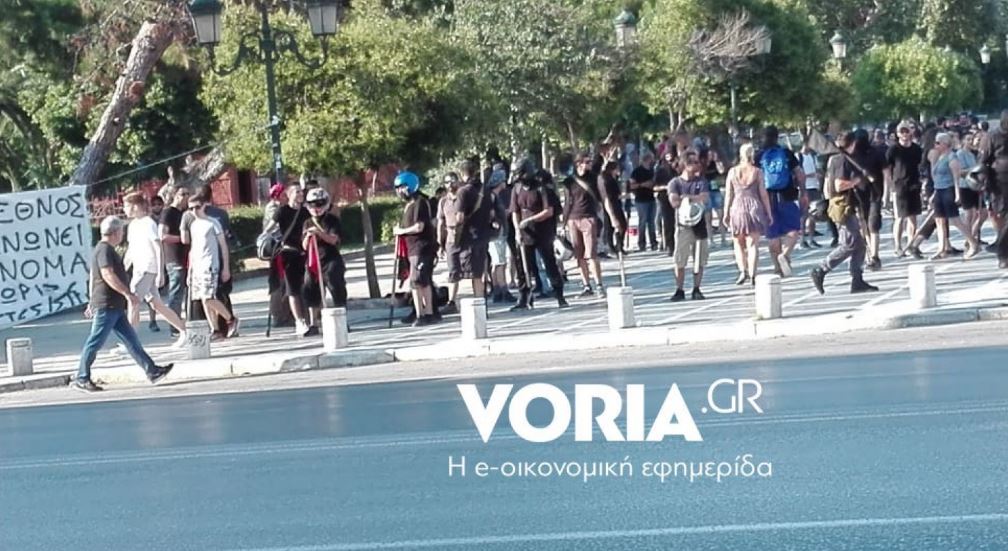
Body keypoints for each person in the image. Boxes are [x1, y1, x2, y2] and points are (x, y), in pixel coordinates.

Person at [72, 216, 174, 393]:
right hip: (107, 305)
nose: (122, 235)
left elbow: (94, 277)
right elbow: (107, 274)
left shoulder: (104, 249)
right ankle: (82, 377)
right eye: (121, 231)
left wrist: (92, 300)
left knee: (131, 340)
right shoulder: (104, 250)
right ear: (116, 232)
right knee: (95, 341)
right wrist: (127, 293)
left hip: (115, 306)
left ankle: (152, 371)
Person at [809, 132, 879, 295]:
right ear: (852, 144)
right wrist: (858, 180)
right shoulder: (841, 160)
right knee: (849, 243)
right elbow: (839, 185)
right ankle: (821, 269)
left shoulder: (840, 159)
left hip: (847, 204)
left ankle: (857, 279)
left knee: (860, 244)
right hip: (842, 205)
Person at [121, 192, 186, 345]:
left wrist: (160, 272)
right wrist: (123, 267)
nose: (124, 209)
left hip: (147, 268)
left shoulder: (148, 223)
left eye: (126, 206)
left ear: (135, 206)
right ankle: (184, 330)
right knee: (157, 305)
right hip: (139, 268)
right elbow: (131, 250)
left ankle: (130, 341)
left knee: (133, 301)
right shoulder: (133, 225)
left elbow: (158, 247)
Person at [182, 191, 240, 339]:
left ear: (204, 206)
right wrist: (190, 270)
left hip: (210, 264)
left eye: (197, 207)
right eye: (191, 208)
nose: (194, 211)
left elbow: (223, 245)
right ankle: (215, 329)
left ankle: (230, 319)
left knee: (208, 297)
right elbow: (193, 249)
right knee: (202, 299)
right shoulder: (193, 225)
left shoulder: (212, 223)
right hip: (197, 266)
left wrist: (225, 268)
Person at [510, 166, 569, 310]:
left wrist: (530, 220)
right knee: (523, 266)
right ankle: (524, 296)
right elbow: (515, 211)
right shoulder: (517, 189)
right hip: (525, 233)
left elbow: (549, 211)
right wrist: (517, 230)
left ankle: (559, 294)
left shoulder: (542, 189)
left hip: (543, 232)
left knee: (550, 263)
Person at [756, 126, 804, 277]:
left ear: (763, 137)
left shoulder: (758, 156)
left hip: (767, 198)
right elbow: (800, 174)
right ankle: (785, 254)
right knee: (794, 229)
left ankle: (777, 268)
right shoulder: (786, 153)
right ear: (777, 137)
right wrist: (803, 192)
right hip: (787, 195)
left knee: (773, 235)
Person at [393, 171, 439, 327]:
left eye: (402, 187)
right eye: (397, 188)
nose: (399, 191)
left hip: (421, 247)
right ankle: (423, 312)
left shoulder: (420, 203)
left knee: (418, 281)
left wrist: (401, 231)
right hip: (412, 249)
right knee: (419, 282)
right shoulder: (409, 205)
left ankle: (425, 314)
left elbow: (419, 226)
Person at [724, 143, 773, 286]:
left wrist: (726, 213)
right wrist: (769, 212)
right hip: (754, 207)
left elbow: (729, 194)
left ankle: (742, 270)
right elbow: (763, 194)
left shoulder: (732, 172)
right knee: (753, 244)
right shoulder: (757, 172)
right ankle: (752, 273)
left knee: (738, 242)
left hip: (738, 208)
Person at [302, 188, 348, 328]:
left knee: (336, 286)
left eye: (319, 204)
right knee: (309, 288)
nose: (316, 208)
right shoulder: (307, 222)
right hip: (313, 261)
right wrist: (308, 236)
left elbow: (334, 240)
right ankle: (313, 323)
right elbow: (304, 246)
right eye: (313, 205)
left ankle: (342, 321)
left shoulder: (332, 220)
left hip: (331, 259)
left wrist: (319, 233)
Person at [668, 151, 710, 301]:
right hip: (683, 225)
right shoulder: (675, 183)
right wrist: (690, 199)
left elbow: (704, 198)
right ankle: (679, 289)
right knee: (680, 258)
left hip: (699, 224)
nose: (699, 165)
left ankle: (696, 288)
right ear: (686, 165)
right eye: (695, 162)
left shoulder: (701, 182)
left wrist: (687, 198)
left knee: (699, 258)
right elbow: (674, 201)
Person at [930, 133, 980, 259]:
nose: (935, 145)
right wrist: (934, 193)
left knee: (955, 220)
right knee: (939, 220)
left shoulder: (952, 157)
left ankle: (973, 243)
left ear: (945, 144)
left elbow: (956, 178)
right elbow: (935, 177)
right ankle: (941, 248)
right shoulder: (939, 157)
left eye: (938, 143)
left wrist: (957, 194)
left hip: (948, 190)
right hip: (939, 190)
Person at [563, 152, 606, 298]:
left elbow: (602, 198)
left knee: (592, 254)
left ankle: (599, 284)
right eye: (586, 162)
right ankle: (586, 285)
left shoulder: (594, 178)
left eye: (590, 162)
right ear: (578, 164)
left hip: (589, 217)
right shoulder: (569, 181)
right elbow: (568, 202)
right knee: (579, 254)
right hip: (573, 218)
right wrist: (564, 222)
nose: (589, 164)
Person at [272, 183, 313, 336]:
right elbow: (270, 228)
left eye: (301, 192)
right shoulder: (282, 211)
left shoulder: (306, 212)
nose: (300, 194)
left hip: (305, 254)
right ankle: (299, 321)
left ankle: (312, 320)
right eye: (297, 192)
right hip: (289, 254)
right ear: (288, 194)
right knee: (293, 289)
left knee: (309, 286)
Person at [454, 159, 494, 303]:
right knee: (481, 270)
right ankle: (482, 300)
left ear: (462, 173)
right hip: (484, 234)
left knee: (474, 273)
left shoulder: (463, 192)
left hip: (470, 236)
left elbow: (459, 217)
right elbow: (492, 214)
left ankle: (479, 303)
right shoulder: (485, 190)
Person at [886, 121, 924, 257]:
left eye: (906, 131)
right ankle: (898, 246)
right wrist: (890, 188)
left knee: (913, 218)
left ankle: (911, 245)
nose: (904, 134)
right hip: (899, 187)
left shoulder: (917, 149)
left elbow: (920, 166)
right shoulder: (893, 150)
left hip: (914, 185)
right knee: (900, 218)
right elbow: (887, 169)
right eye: (901, 132)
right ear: (897, 134)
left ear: (911, 132)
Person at [850, 129, 886, 271]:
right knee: (865, 224)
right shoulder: (851, 156)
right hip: (860, 194)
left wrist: (887, 193)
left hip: (875, 193)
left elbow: (886, 172)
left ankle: (874, 255)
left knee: (873, 224)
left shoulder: (876, 153)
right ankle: (870, 254)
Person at [158, 186, 190, 334]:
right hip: (174, 258)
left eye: (188, 194)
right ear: (175, 195)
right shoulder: (168, 212)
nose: (186, 197)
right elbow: (162, 235)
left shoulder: (184, 213)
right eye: (183, 194)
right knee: (176, 293)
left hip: (185, 257)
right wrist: (182, 239)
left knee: (186, 292)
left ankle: (186, 321)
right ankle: (174, 325)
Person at [979, 110, 1008, 269]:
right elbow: (983, 160)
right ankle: (1002, 253)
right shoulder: (993, 136)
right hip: (999, 183)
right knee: (1003, 217)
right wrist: (981, 178)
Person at [436, 173, 463, 312]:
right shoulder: (443, 202)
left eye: (452, 181)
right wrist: (440, 243)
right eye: (447, 182)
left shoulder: (463, 198)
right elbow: (440, 223)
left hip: (465, 237)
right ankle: (451, 302)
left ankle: (480, 299)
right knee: (453, 271)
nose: (450, 184)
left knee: (472, 270)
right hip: (451, 239)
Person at [599, 160, 628, 260]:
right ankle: (613, 246)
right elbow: (612, 194)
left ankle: (619, 245)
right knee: (615, 226)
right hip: (612, 204)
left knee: (620, 225)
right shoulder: (608, 180)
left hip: (615, 203)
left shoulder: (613, 178)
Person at [629, 152, 658, 251]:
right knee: (642, 221)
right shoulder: (636, 171)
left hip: (651, 198)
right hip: (641, 199)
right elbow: (631, 185)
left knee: (652, 222)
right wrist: (642, 184)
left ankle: (653, 242)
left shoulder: (652, 171)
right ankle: (642, 243)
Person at [654, 149, 678, 255]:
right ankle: (670, 246)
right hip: (664, 199)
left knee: (680, 223)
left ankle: (681, 245)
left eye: (672, 159)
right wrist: (666, 187)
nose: (670, 162)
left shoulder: (678, 169)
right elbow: (654, 187)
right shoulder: (660, 171)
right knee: (668, 223)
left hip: (678, 198)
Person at [799, 143, 822, 249]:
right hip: (804, 188)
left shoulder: (813, 156)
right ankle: (802, 240)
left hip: (814, 187)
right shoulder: (799, 157)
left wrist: (818, 176)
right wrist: (811, 175)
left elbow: (817, 169)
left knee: (814, 214)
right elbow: (798, 174)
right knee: (804, 215)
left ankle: (812, 239)